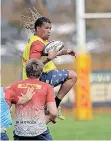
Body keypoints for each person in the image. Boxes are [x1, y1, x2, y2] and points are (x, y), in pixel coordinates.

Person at [22, 15, 77, 120]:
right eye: (46, 28)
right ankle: (55, 104)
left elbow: (50, 52)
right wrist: (48, 59)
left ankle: (50, 110)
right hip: (41, 78)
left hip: (39, 78)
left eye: (50, 28)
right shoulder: (37, 44)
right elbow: (33, 66)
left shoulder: (40, 40)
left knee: (48, 115)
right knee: (73, 76)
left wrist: (66, 52)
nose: (49, 30)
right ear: (38, 29)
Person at [8, 59, 58, 140]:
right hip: (39, 131)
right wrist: (51, 118)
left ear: (26, 71)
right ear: (41, 72)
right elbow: (54, 112)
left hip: (20, 132)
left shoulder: (14, 86)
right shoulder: (47, 87)